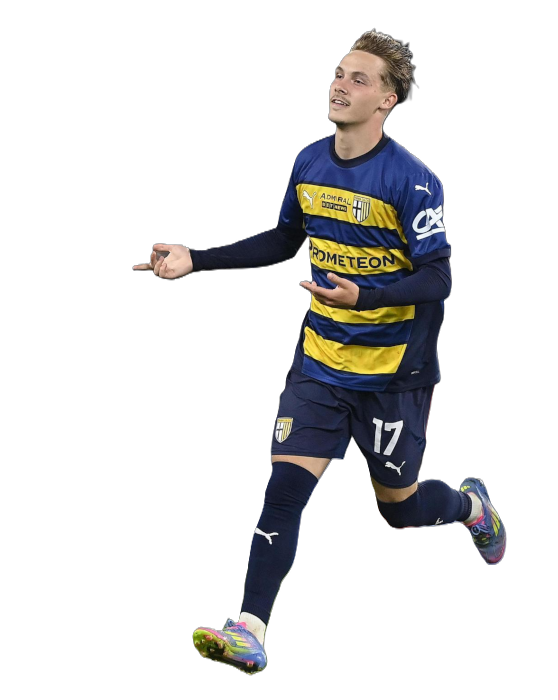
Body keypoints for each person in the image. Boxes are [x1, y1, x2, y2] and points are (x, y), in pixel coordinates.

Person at [133, 29, 505, 676]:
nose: (340, 85)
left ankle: (472, 507)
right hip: (320, 365)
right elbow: (285, 242)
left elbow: (440, 277)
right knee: (283, 490)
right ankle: (250, 630)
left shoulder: (414, 182)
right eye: (338, 72)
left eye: (359, 78)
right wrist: (197, 259)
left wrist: (366, 297)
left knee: (400, 510)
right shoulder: (309, 162)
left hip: (394, 374)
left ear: (386, 100)